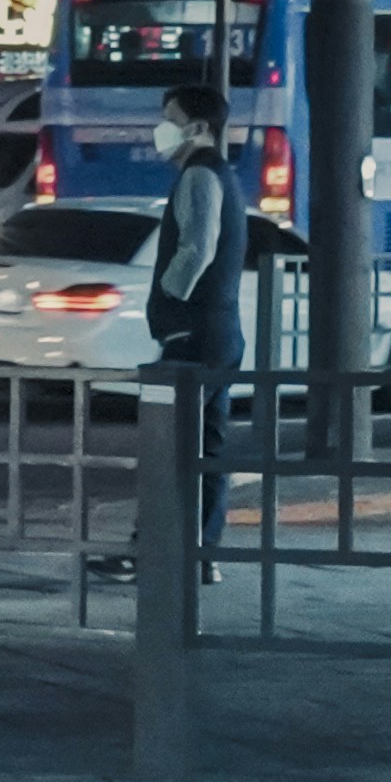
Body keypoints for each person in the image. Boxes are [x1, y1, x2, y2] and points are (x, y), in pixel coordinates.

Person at [147, 73, 243, 569]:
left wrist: (169, 295)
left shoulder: (199, 175)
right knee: (205, 451)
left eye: (170, 121)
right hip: (218, 331)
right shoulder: (221, 173)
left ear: (198, 127)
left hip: (194, 332)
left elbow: (197, 248)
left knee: (170, 445)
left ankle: (150, 553)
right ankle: (201, 555)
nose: (161, 130)